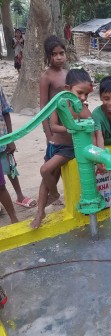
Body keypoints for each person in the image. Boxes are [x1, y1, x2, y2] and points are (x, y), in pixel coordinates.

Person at [31, 68, 93, 229]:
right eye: (79, 92)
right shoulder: (60, 105)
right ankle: (40, 213)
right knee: (46, 180)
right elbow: (53, 126)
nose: (83, 97)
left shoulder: (83, 109)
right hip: (53, 146)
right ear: (67, 89)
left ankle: (55, 194)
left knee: (45, 170)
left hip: (68, 149)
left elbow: (91, 125)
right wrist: (72, 127)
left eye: (86, 94)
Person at [40, 35, 68, 205]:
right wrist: (48, 134)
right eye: (54, 54)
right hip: (54, 128)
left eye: (61, 53)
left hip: (68, 127)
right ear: (48, 56)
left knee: (60, 163)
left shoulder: (68, 74)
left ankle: (55, 196)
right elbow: (43, 108)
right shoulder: (46, 77)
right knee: (50, 165)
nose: (58, 57)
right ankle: (53, 194)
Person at [0, 85, 36, 209]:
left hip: (3, 138)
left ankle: (20, 196)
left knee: (11, 168)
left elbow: (5, 111)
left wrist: (11, 139)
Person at [92, 76, 111, 154]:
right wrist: (103, 157)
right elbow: (99, 137)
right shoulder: (96, 114)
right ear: (100, 97)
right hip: (102, 147)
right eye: (106, 99)